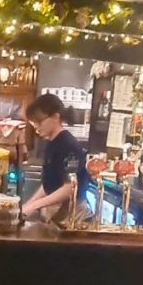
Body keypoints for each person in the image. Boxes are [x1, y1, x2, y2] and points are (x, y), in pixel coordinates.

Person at [22, 93, 90, 223]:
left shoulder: (69, 145)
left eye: (39, 121)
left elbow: (70, 188)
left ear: (56, 117)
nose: (36, 127)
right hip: (54, 209)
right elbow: (49, 184)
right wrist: (28, 205)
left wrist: (35, 205)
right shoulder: (51, 143)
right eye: (33, 123)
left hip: (70, 212)